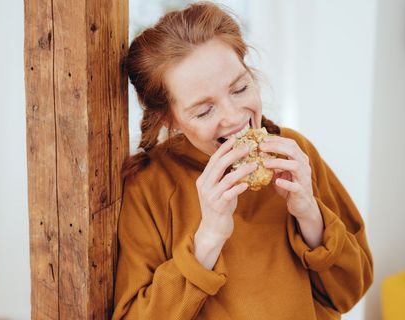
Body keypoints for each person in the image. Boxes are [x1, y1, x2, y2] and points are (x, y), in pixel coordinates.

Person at [112, 2, 373, 319]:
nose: (235, 118)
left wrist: (310, 215)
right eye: (204, 110)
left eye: (240, 88)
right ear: (169, 118)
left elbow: (349, 292)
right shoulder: (150, 185)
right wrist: (208, 239)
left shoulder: (294, 152)